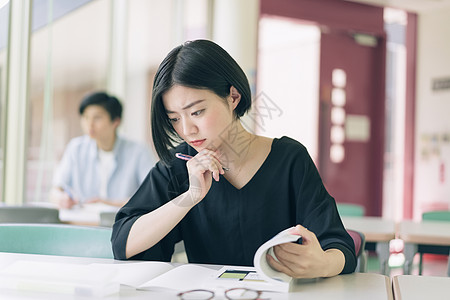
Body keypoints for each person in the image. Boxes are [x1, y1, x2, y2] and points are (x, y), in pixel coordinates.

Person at [111, 40, 356, 279]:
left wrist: (322, 263)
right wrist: (189, 197)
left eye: (197, 112)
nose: (187, 129)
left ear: (233, 96)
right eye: (174, 118)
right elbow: (124, 243)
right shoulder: (178, 166)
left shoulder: (289, 159)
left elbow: (339, 247)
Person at [50, 91, 156, 209]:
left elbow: (152, 196)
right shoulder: (76, 149)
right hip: (82, 222)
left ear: (116, 121)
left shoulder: (139, 152)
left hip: (123, 222)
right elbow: (55, 190)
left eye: (97, 118)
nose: (89, 124)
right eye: (85, 117)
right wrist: (62, 198)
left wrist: (107, 204)